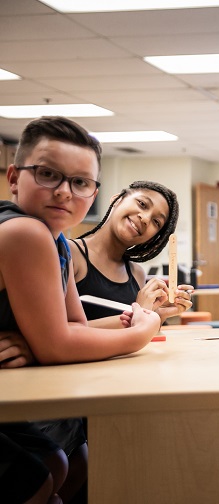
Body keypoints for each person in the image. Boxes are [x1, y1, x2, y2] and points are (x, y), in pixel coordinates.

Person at [0, 116, 161, 503]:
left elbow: (73, 325)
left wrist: (39, 341)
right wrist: (144, 328)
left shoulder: (56, 240)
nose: (64, 192)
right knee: (42, 475)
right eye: (47, 174)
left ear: (95, 191)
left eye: (80, 182)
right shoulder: (27, 231)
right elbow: (58, 345)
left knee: (62, 463)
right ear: (13, 177)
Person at [70, 180, 193, 327]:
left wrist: (157, 313)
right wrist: (139, 314)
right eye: (142, 204)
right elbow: (57, 334)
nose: (146, 218)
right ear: (117, 200)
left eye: (156, 222)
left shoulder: (136, 274)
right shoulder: (70, 254)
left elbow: (133, 336)